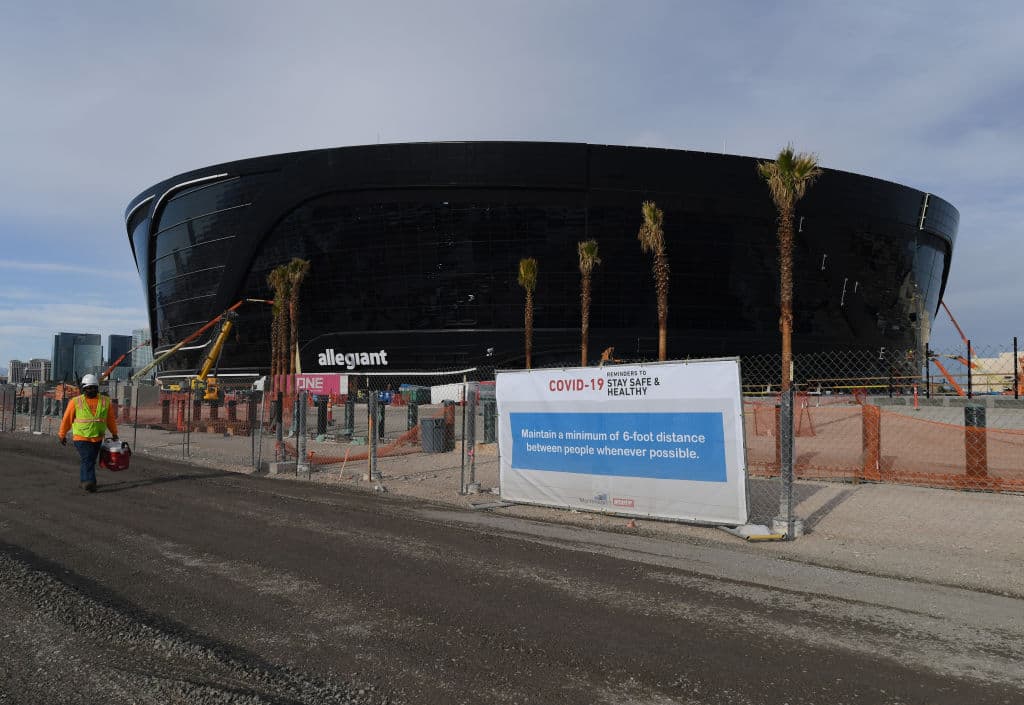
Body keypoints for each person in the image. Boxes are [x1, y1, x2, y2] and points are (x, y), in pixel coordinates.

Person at [58, 374, 118, 492]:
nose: (92, 390)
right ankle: (89, 482)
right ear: (84, 389)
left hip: (97, 438)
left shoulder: (105, 401)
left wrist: (114, 433)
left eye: (94, 387)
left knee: (89, 460)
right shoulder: (75, 402)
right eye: (89, 388)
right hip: (81, 437)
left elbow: (110, 419)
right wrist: (62, 434)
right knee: (88, 458)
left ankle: (85, 480)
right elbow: (67, 419)